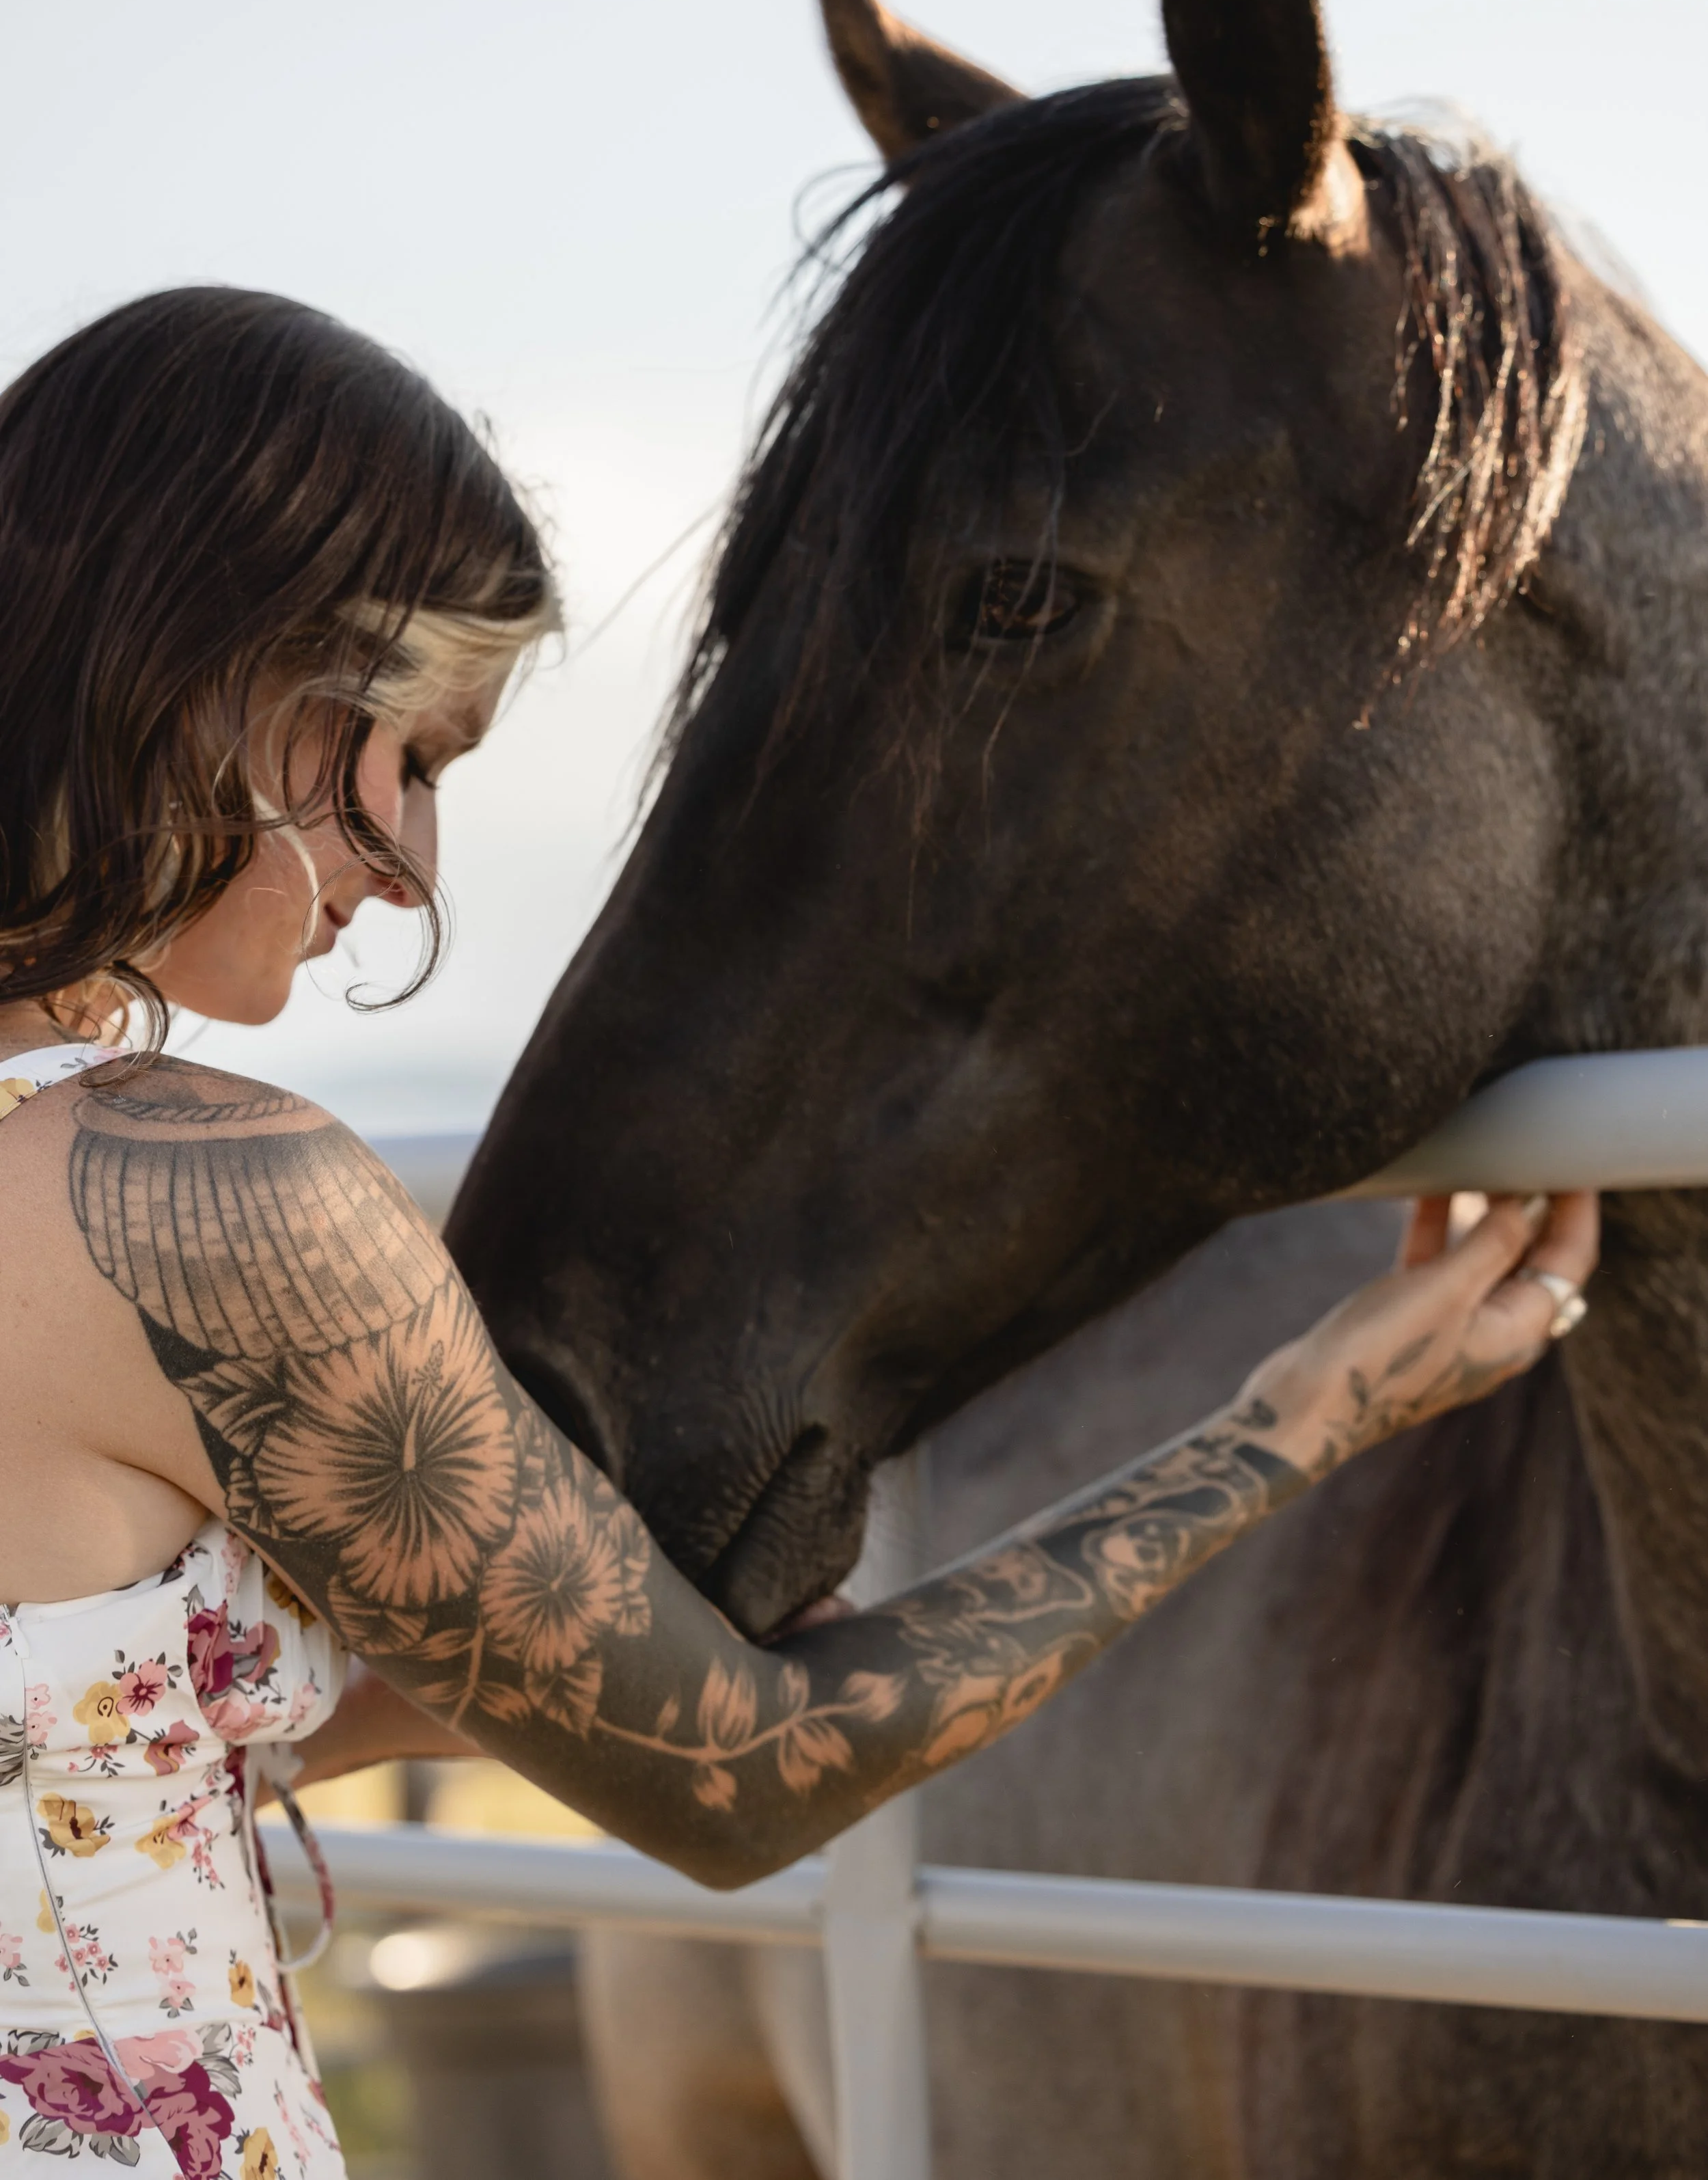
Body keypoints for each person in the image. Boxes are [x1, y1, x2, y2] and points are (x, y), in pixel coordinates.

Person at [0, 288, 1597, 2180]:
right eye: (413, 754)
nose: (414, 864)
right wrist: (1294, 1426)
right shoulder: (189, 1202)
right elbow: (741, 1779)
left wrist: (522, 1673)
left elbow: (70, 1749)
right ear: (229, 665)